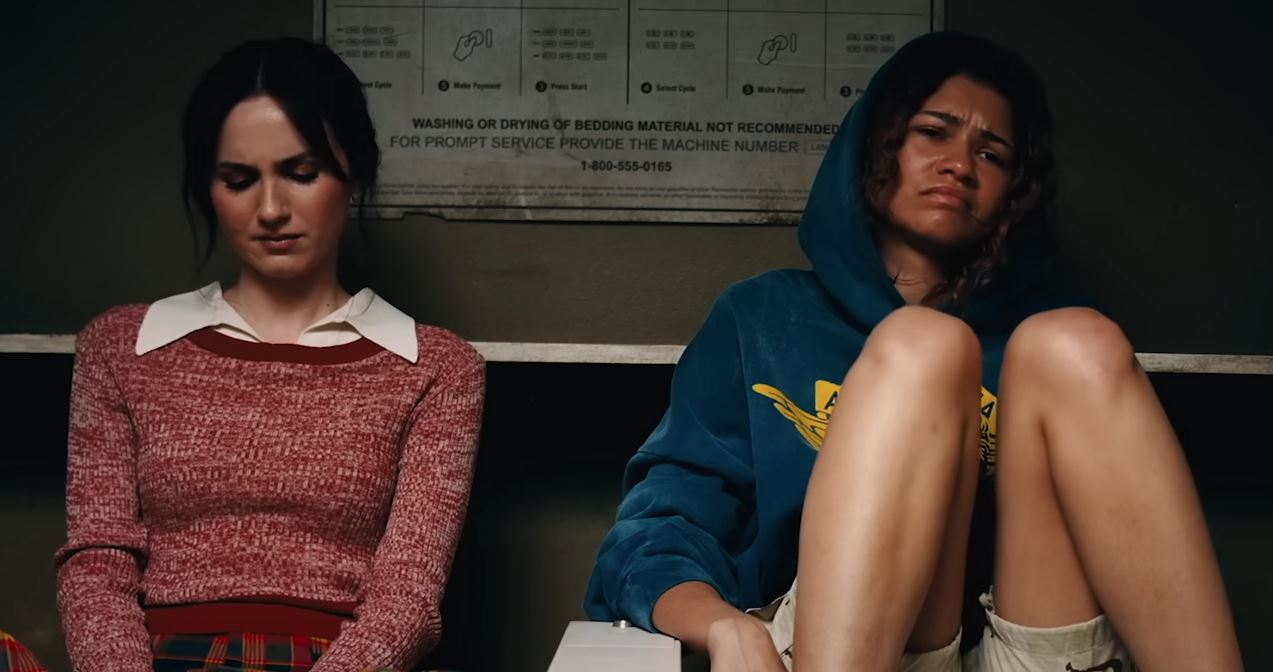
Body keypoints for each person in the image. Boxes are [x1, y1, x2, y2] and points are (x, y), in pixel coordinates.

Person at [585, 31, 1242, 671]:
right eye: (933, 132)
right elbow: (661, 528)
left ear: (1014, 193)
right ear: (876, 144)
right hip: (846, 651)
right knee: (925, 345)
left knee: (1080, 341)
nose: (960, 163)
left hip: (1020, 647)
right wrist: (722, 625)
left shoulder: (1044, 345)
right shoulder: (762, 315)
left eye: (991, 154)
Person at [54, 37, 485, 672]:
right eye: (238, 181)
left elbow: (408, 598)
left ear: (356, 174)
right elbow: (97, 562)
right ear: (207, 188)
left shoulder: (436, 367)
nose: (272, 210)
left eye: (302, 174)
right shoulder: (120, 347)